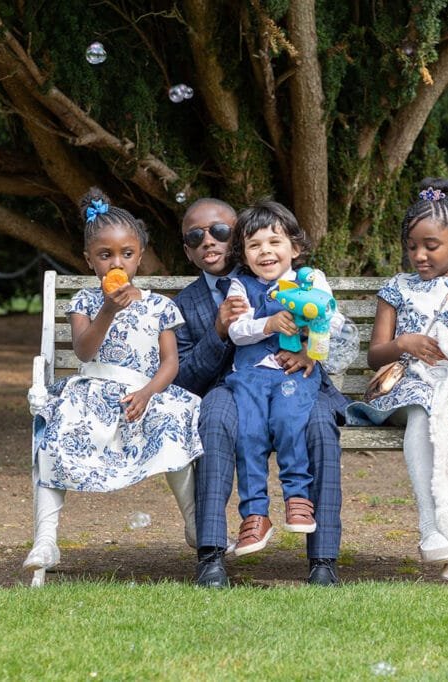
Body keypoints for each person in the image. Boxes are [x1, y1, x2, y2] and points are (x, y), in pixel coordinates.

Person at [23, 187, 202, 578]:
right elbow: (85, 352)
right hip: (91, 392)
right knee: (54, 440)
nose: (115, 262)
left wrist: (148, 392)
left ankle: (195, 523)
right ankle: (46, 539)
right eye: (105, 256)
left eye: (126, 254)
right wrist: (106, 309)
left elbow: (171, 363)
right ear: (90, 260)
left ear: (140, 255)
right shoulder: (86, 303)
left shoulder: (159, 305)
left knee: (173, 429)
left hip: (145, 392)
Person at [173, 198, 348, 587]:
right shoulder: (187, 302)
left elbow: (334, 326)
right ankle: (212, 555)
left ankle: (323, 560)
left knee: (319, 426)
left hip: (300, 379)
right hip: (232, 386)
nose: (209, 241)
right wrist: (218, 332)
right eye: (195, 236)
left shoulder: (292, 276)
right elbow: (184, 378)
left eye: (219, 231)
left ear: (233, 237)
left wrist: (309, 354)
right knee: (216, 420)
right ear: (187, 250)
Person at [345, 178, 448, 584]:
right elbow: (375, 354)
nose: (419, 255)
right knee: (422, 403)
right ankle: (432, 527)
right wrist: (405, 342)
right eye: (412, 245)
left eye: (430, 246)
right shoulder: (397, 289)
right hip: (410, 387)